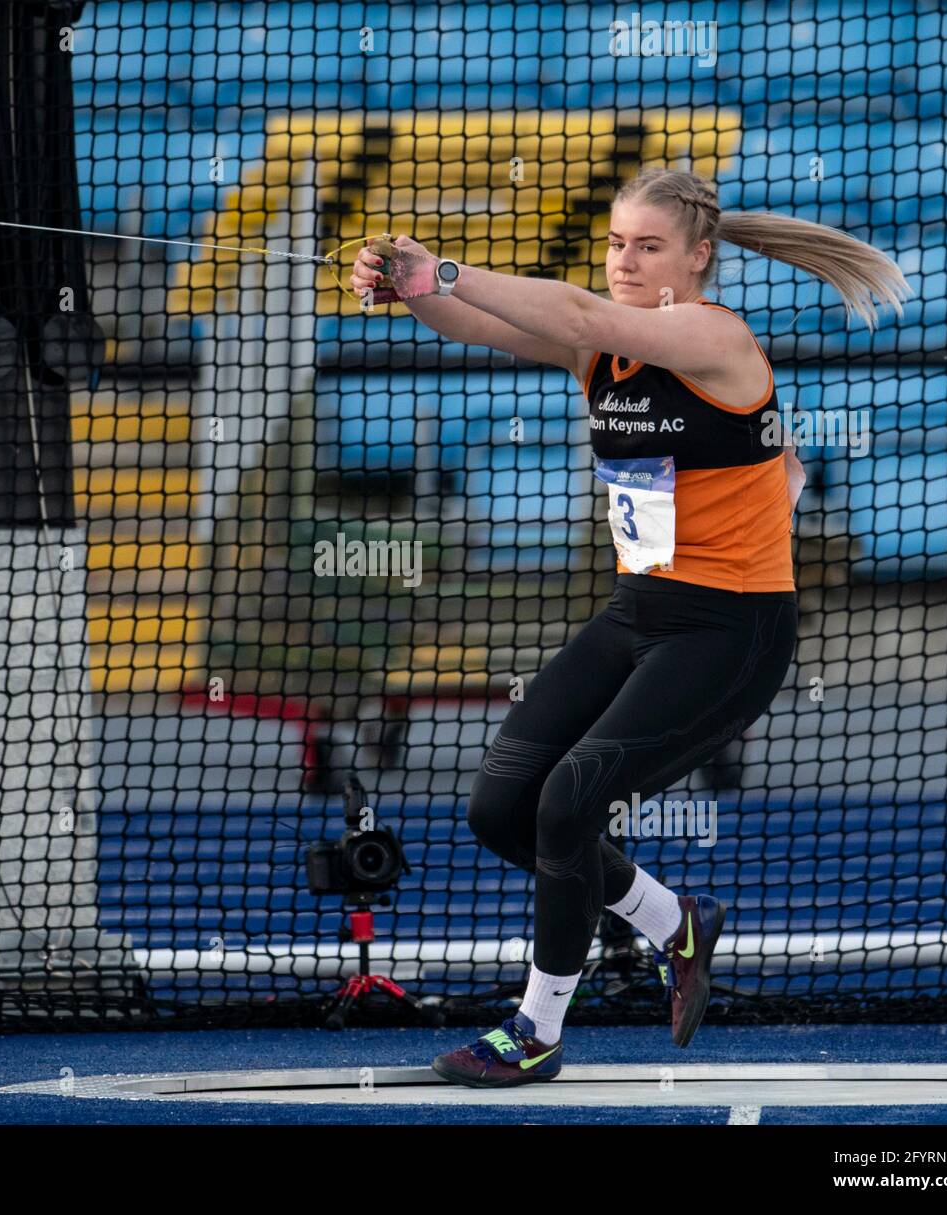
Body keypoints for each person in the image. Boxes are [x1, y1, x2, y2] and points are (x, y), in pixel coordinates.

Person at [348, 166, 909, 1087]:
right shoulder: (601, 354)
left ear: (698, 257)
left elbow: (575, 312)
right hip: (637, 613)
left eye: (648, 246)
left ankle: (535, 1031)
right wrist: (409, 288)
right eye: (615, 244)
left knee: (568, 804)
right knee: (501, 810)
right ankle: (673, 922)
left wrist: (443, 268)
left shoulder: (713, 334)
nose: (625, 261)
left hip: (729, 632)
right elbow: (478, 325)